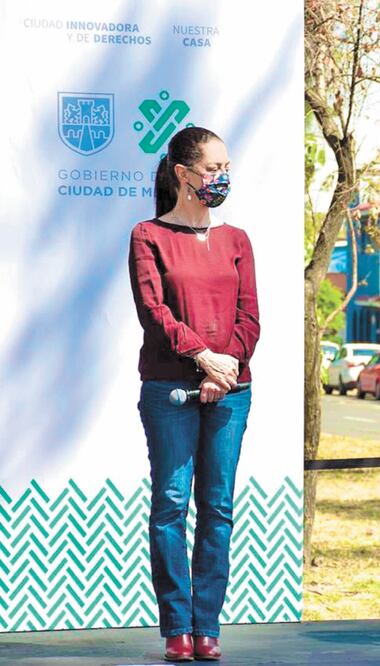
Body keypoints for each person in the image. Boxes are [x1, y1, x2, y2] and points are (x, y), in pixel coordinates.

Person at [129, 126, 260, 662]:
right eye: (212, 169)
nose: (221, 177)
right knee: (171, 503)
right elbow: (153, 311)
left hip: (230, 389)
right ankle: (177, 627)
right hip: (169, 390)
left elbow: (249, 316)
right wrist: (202, 357)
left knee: (218, 507)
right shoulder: (148, 235)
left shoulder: (237, 240)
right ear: (183, 174)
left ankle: (208, 626)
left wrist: (222, 369)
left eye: (226, 168)